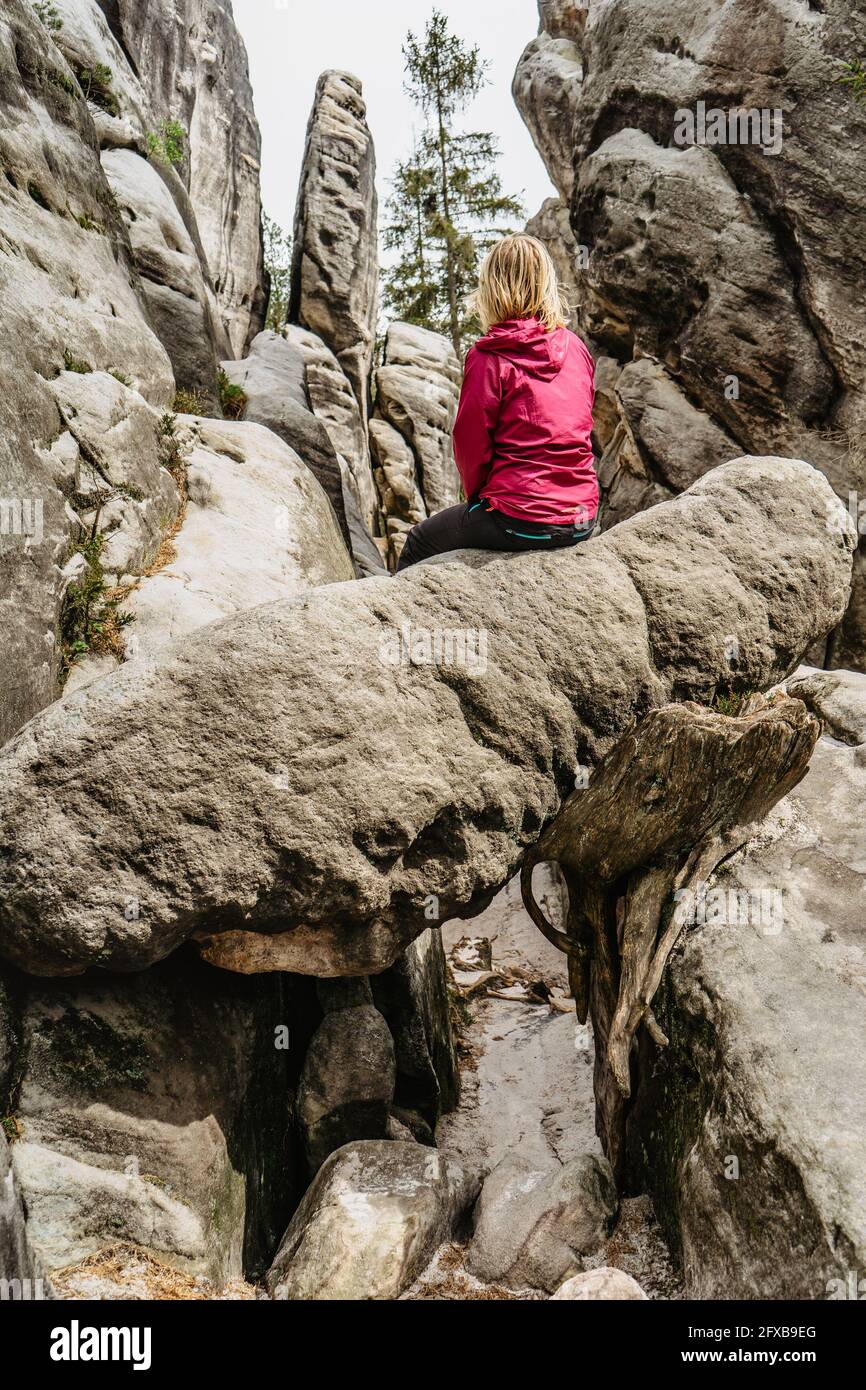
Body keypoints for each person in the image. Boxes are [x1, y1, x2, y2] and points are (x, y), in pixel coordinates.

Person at [397, 233, 599, 571]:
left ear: (492, 287)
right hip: (581, 517)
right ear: (546, 283)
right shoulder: (575, 347)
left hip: (520, 518)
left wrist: (478, 499)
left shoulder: (488, 356)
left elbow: (470, 444)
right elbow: (579, 424)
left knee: (419, 542)